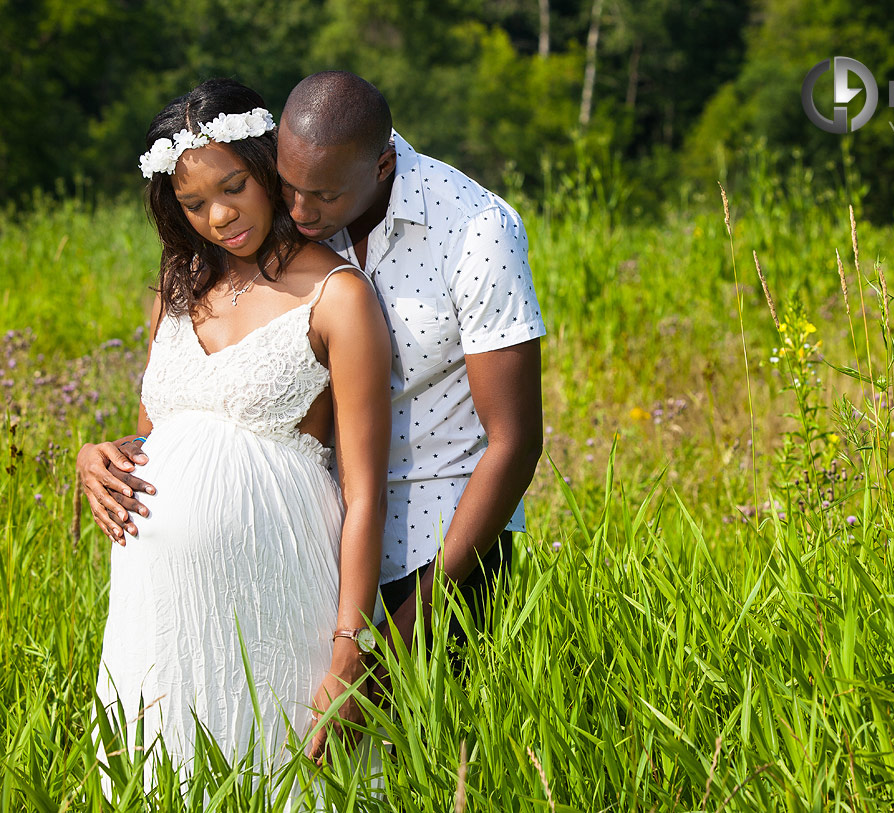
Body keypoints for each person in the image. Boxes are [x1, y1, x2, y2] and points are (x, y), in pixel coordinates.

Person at [80, 71, 546, 671]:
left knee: (430, 754)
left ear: (378, 169)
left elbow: (515, 441)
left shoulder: (476, 231)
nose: (299, 210)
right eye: (288, 185)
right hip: (305, 552)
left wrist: (384, 644)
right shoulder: (253, 239)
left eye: (321, 196)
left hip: (443, 545)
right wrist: (106, 454)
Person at [81, 78, 391, 788]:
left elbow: (365, 488)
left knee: (279, 778)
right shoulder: (175, 284)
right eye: (193, 203)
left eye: (234, 187)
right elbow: (151, 440)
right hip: (155, 607)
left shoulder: (337, 295)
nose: (218, 216)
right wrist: (94, 456)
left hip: (278, 598)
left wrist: (352, 644)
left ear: (265, 166)